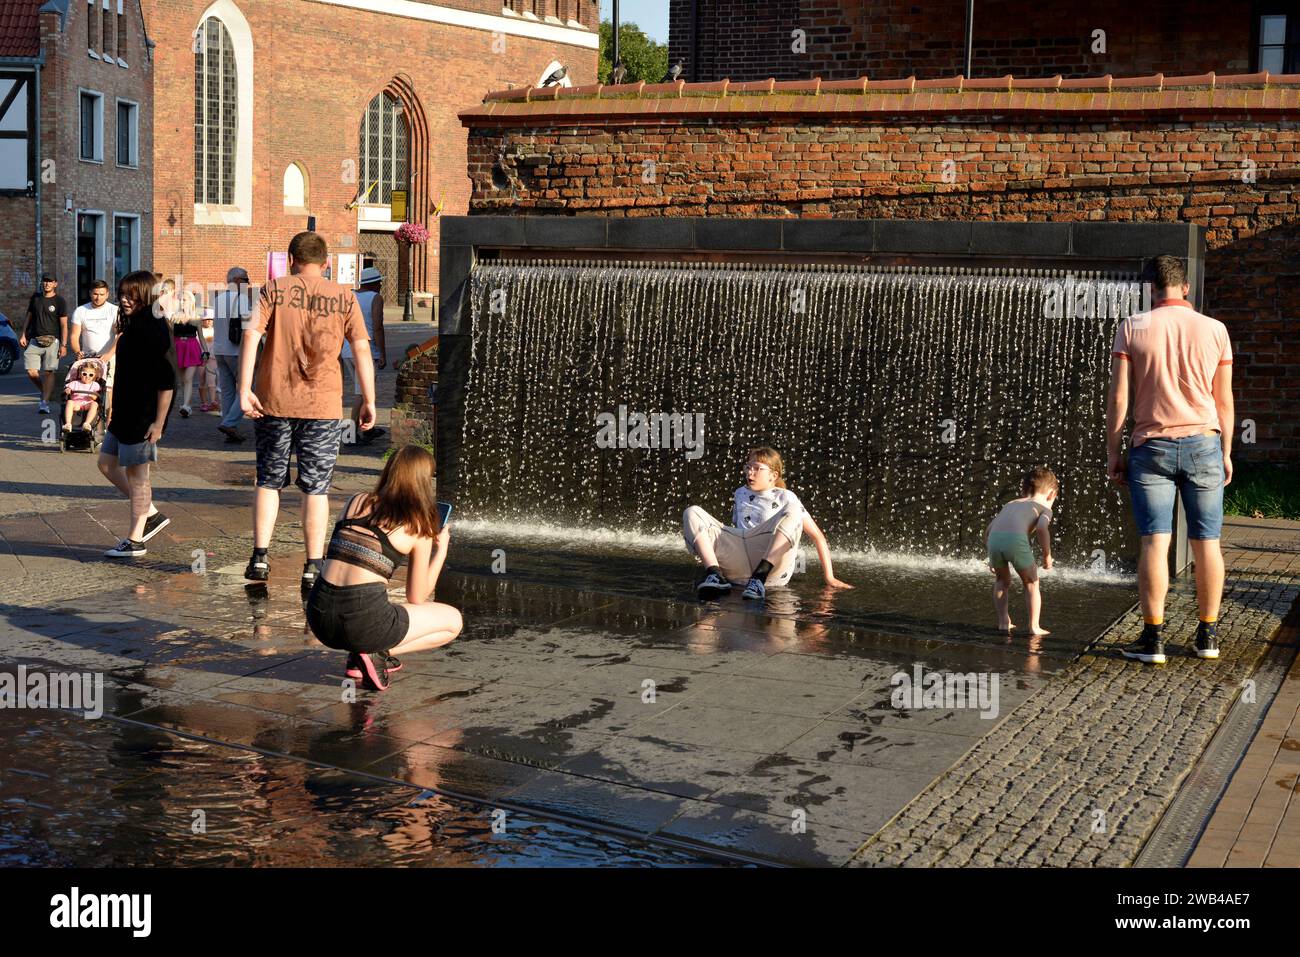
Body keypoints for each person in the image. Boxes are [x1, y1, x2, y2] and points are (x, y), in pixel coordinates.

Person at [1107, 255, 1234, 666]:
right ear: (1185, 288)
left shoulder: (1132, 327)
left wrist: (1114, 451)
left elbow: (1119, 400)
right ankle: (1208, 634)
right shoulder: (1216, 330)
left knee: (1154, 542)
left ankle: (1154, 639)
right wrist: (1227, 450)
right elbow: (1224, 401)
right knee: (1207, 543)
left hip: (1152, 446)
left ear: (1151, 289)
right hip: (1203, 443)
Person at [239, 231, 377, 590]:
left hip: (274, 400)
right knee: (316, 487)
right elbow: (362, 349)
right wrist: (369, 398)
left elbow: (251, 336)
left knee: (269, 480)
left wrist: (244, 389)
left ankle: (260, 557)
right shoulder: (344, 296)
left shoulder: (273, 289)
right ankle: (313, 565)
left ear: (290, 259)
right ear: (327, 262)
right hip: (323, 403)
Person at [305, 444, 462, 691]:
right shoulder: (416, 525)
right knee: (453, 621)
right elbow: (417, 597)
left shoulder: (355, 501)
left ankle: (360, 658)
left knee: (373, 605)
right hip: (362, 623)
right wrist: (440, 549)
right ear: (423, 481)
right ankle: (376, 652)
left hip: (319, 617)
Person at [683, 446, 853, 601]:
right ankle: (715, 575)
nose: (750, 473)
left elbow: (818, 537)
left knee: (794, 510)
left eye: (757, 469)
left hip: (770, 565)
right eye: (748, 467)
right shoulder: (740, 493)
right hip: (739, 561)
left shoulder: (786, 497)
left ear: (773, 475)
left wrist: (829, 577)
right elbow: (735, 529)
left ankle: (759, 578)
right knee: (692, 512)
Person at [95, 271, 178, 558]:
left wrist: (159, 422)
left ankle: (135, 540)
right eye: (122, 294)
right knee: (106, 464)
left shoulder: (155, 326)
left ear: (145, 295)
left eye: (131, 295)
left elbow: (168, 380)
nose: (124, 300)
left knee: (138, 475)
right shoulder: (131, 324)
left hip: (143, 416)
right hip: (124, 412)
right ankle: (151, 513)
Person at [986, 467, 1057, 636]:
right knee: (1032, 582)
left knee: (1001, 581)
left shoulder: (1010, 503)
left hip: (994, 540)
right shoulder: (1044, 508)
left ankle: (1004, 622)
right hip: (1015, 541)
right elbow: (1041, 529)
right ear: (1051, 495)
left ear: (1023, 491)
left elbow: (989, 530)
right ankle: (1034, 626)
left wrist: (990, 555)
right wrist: (1047, 555)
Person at [340, 266, 387, 444]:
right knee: (362, 394)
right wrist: (382, 352)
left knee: (361, 392)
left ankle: (367, 429)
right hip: (366, 350)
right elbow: (377, 327)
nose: (381, 285)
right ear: (374, 284)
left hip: (347, 349)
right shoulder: (376, 298)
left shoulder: (350, 295)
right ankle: (349, 436)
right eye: (380, 282)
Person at [212, 267, 252, 443]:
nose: (247, 283)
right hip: (236, 350)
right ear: (236, 280)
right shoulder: (242, 299)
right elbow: (249, 325)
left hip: (219, 349)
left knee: (227, 391)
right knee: (249, 387)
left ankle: (230, 426)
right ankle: (230, 422)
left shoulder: (219, 299)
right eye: (245, 279)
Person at [19, 274, 69, 415]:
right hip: (35, 339)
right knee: (31, 371)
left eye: (49, 281)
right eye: (44, 281)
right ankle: (45, 391)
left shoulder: (59, 301)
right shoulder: (36, 298)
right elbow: (28, 317)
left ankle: (44, 402)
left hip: (53, 341)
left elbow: (64, 324)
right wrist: (23, 334)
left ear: (55, 284)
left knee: (48, 372)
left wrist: (64, 345)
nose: (46, 284)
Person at [70, 280, 119, 421]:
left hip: (109, 357)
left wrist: (109, 354)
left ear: (107, 294)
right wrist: (77, 351)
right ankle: (89, 422)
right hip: (88, 358)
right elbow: (74, 336)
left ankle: (108, 424)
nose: (98, 297)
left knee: (108, 390)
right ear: (90, 293)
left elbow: (120, 334)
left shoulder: (114, 310)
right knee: (86, 389)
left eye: (102, 294)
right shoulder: (81, 311)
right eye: (95, 294)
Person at [161, 278, 203, 417]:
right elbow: (170, 336)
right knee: (179, 380)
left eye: (185, 299)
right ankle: (182, 403)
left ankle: (186, 406)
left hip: (192, 348)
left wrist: (206, 351)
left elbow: (201, 336)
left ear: (191, 301)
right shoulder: (173, 317)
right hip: (178, 348)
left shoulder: (196, 317)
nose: (182, 301)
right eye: (181, 299)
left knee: (188, 379)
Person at [61, 360, 103, 435]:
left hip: (88, 404)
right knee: (69, 402)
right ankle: (68, 424)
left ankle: (87, 423)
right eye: (84, 374)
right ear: (80, 374)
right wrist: (68, 390)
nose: (87, 376)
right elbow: (67, 389)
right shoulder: (75, 383)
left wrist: (92, 396)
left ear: (94, 376)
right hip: (77, 404)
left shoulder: (95, 385)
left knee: (95, 404)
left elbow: (96, 397)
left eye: (90, 375)